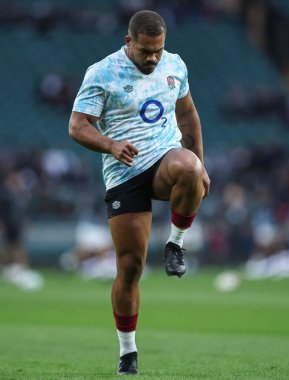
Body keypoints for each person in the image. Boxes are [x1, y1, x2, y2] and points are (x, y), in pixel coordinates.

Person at [68, 10, 210, 375]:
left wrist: (201, 165)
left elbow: (188, 114)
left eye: (158, 51)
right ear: (128, 41)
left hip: (164, 158)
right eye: (146, 51)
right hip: (124, 172)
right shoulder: (102, 72)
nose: (152, 58)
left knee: (190, 168)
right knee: (130, 268)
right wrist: (110, 145)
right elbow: (77, 125)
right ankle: (127, 351)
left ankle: (176, 244)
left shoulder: (175, 66)